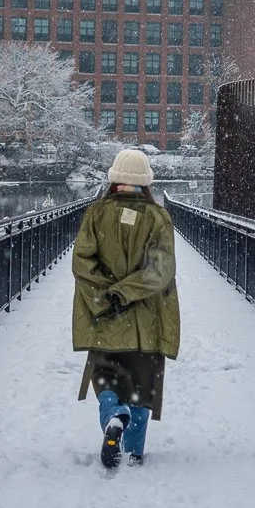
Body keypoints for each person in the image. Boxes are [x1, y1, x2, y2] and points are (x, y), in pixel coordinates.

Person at [72, 148, 181, 468]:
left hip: (104, 318)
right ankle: (133, 452)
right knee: (141, 385)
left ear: (114, 179)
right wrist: (126, 292)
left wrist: (105, 297)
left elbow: (82, 264)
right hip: (147, 319)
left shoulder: (96, 213)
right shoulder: (158, 217)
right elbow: (161, 270)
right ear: (145, 182)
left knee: (106, 375)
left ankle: (112, 415)